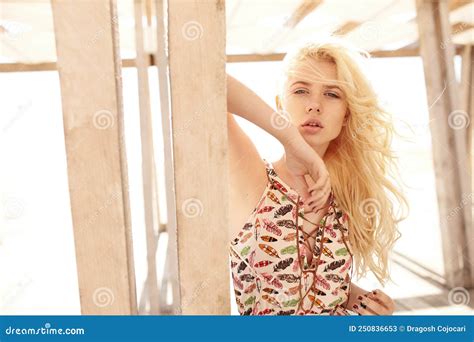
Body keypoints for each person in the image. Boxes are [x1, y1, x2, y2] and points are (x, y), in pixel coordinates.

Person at [227, 39, 408, 315]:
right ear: (279, 105)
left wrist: (365, 303)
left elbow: (322, 288)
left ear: (346, 114)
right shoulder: (254, 180)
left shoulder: (345, 198)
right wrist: (289, 138)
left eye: (332, 94)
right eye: (300, 90)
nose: (314, 105)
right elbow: (205, 80)